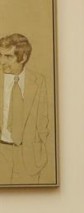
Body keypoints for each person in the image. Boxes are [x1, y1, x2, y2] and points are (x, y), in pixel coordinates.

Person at [0, 33, 49, 184]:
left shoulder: (38, 81)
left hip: (29, 157)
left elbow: (44, 119)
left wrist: (38, 143)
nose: (2, 61)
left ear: (23, 57)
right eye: (0, 55)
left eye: (8, 57)